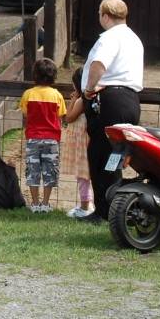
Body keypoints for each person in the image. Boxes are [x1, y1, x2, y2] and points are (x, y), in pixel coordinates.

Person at [79, 0, 143, 224]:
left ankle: (104, 211)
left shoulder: (110, 38)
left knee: (99, 154)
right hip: (130, 100)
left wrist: (88, 88)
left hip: (111, 100)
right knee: (115, 156)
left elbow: (98, 64)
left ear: (105, 16)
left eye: (99, 13)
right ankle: (116, 208)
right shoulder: (134, 39)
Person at [19, 58, 68, 213]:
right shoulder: (57, 95)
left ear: (35, 75)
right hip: (52, 138)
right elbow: (61, 114)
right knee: (50, 170)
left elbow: (25, 113)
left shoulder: (28, 94)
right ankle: (45, 203)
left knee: (33, 169)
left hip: (33, 137)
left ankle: (34, 203)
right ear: (53, 75)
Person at [63, 67, 94, 218]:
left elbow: (68, 117)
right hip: (86, 141)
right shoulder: (92, 98)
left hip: (81, 144)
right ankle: (90, 203)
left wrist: (73, 99)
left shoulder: (81, 101)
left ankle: (84, 207)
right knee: (88, 174)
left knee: (83, 176)